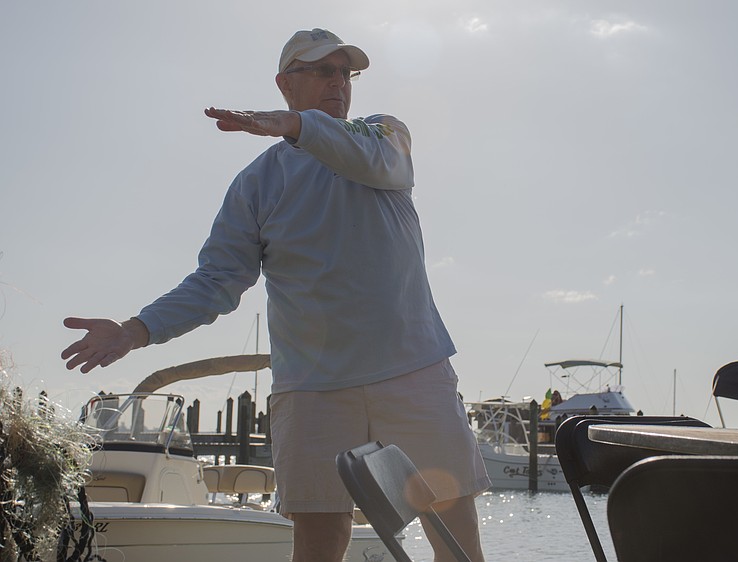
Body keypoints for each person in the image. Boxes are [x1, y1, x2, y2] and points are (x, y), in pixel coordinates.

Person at [62, 28, 490, 562]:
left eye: (344, 72)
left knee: (454, 532)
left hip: (413, 370)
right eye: (321, 70)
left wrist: (293, 125)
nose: (337, 81)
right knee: (319, 538)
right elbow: (216, 282)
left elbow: (360, 153)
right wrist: (135, 329)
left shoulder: (383, 135)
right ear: (285, 83)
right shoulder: (254, 185)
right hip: (311, 387)